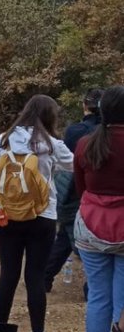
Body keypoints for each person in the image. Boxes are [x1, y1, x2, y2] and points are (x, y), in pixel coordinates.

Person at [0, 96, 74, 332]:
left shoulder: (3, 140)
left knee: (8, 273)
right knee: (35, 276)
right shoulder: (51, 145)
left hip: (7, 216)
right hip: (42, 216)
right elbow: (73, 166)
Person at [73, 85, 124, 332]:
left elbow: (82, 189)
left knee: (98, 296)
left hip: (91, 228)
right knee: (122, 298)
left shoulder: (86, 144)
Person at [45, 87, 103, 292]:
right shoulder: (106, 133)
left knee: (70, 236)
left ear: (84, 105)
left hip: (71, 190)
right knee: (80, 239)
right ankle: (91, 287)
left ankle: (46, 278)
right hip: (99, 192)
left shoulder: (74, 131)